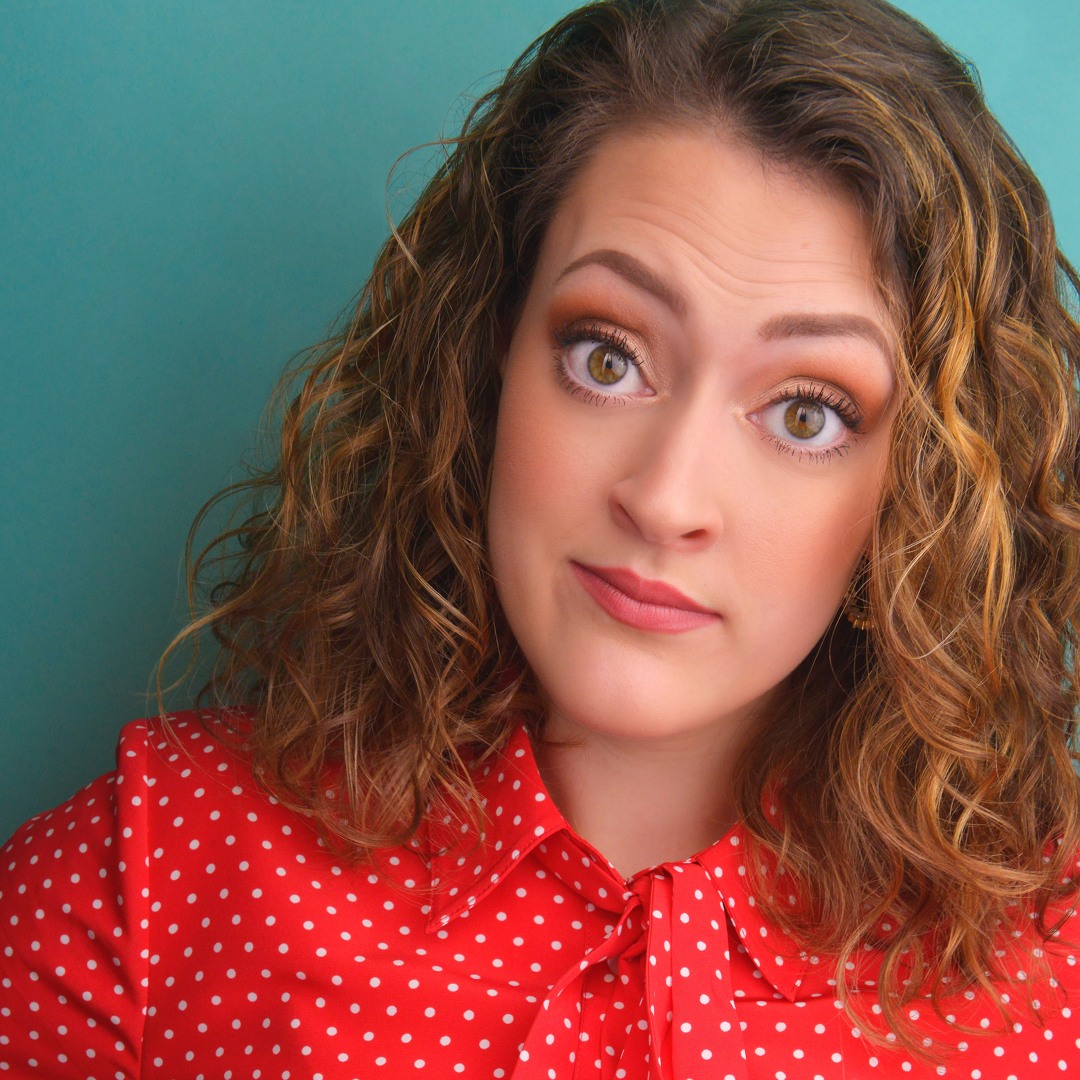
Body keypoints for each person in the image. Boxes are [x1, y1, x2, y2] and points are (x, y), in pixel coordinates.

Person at [3, 0, 1079, 1075]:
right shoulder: (151, 879)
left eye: (807, 413)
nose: (665, 498)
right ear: (488, 364)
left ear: (928, 489)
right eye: (608, 357)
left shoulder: (1051, 983)